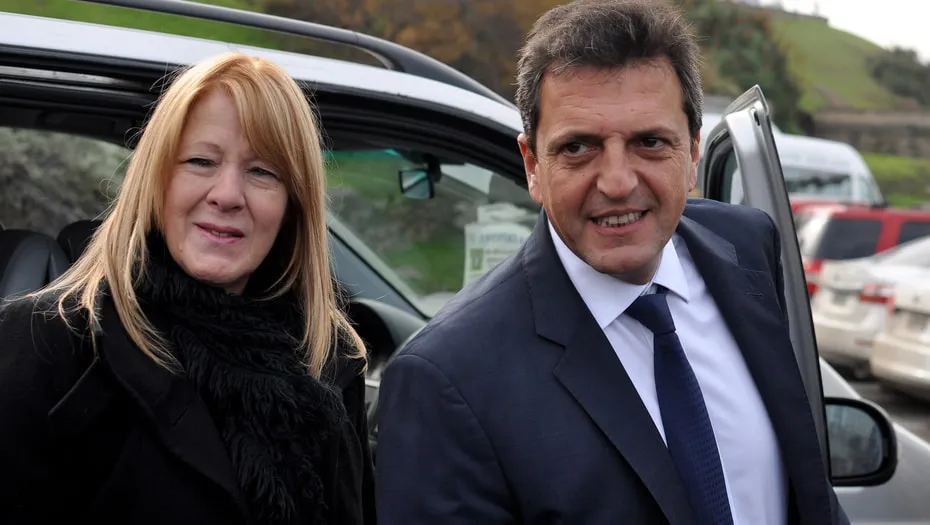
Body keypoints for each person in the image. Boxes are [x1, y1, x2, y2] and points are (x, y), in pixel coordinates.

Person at [375, 1, 849, 524]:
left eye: (651, 142)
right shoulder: (447, 379)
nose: (618, 182)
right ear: (532, 166)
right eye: (579, 147)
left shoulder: (745, 246)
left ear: (693, 153)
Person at [0, 52, 375, 525]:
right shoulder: (48, 341)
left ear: (293, 203)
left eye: (262, 171)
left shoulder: (330, 359)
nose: (227, 195)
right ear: (156, 179)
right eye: (201, 161)